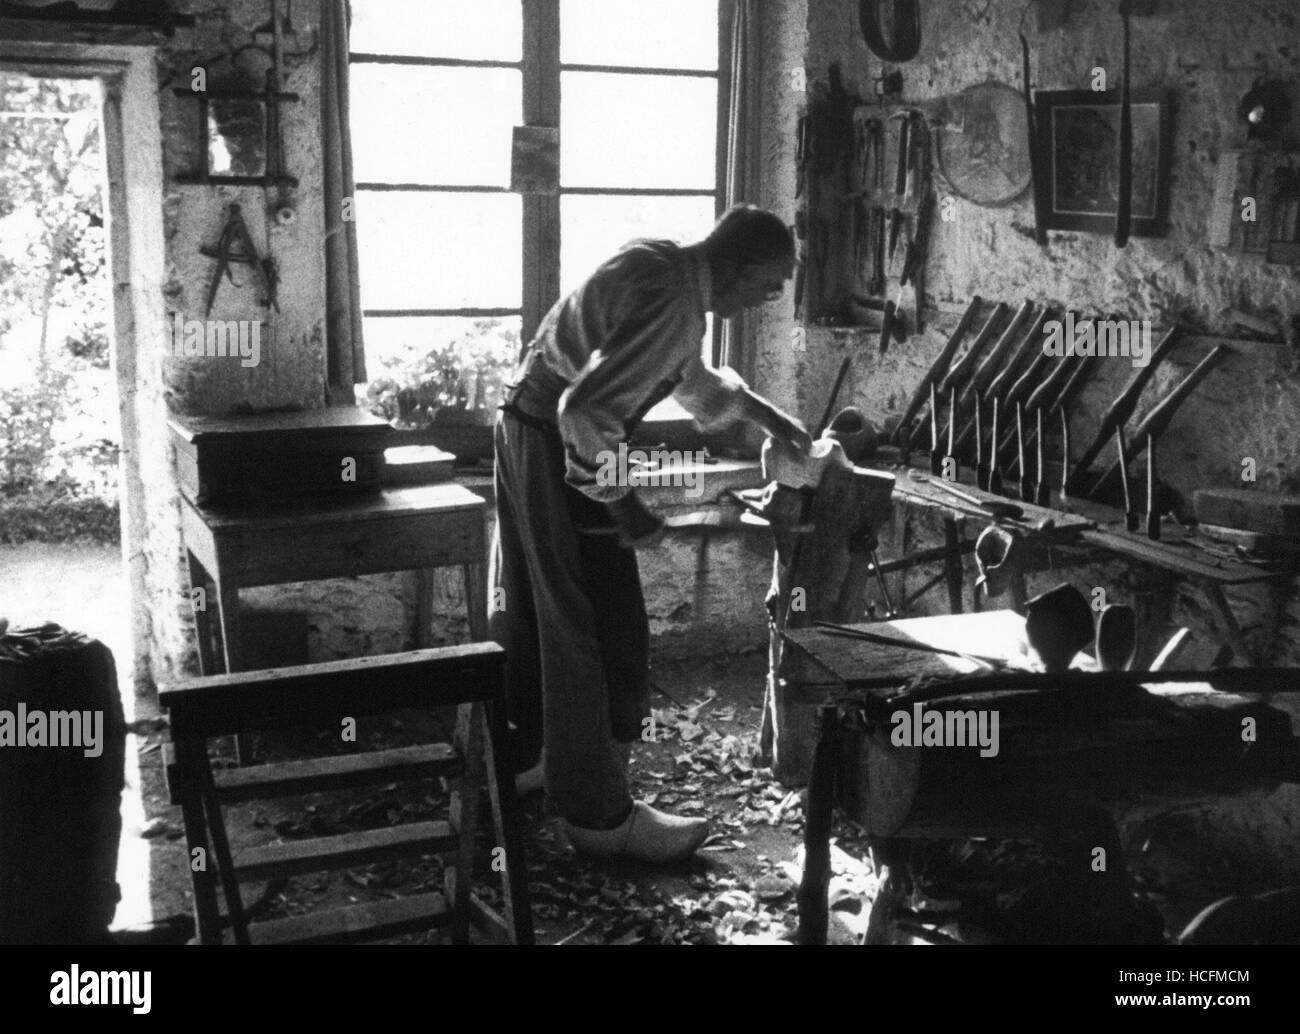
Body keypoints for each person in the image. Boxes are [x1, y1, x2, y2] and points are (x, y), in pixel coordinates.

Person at [489, 205, 810, 864]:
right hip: (561, 446)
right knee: (603, 630)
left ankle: (530, 759)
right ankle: (599, 817)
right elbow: (583, 410)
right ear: (742, 265)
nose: (768, 299)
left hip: (522, 425)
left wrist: (766, 414)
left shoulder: (661, 263)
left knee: (534, 609)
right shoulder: (675, 303)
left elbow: (683, 374)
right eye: (770, 284)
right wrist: (623, 502)